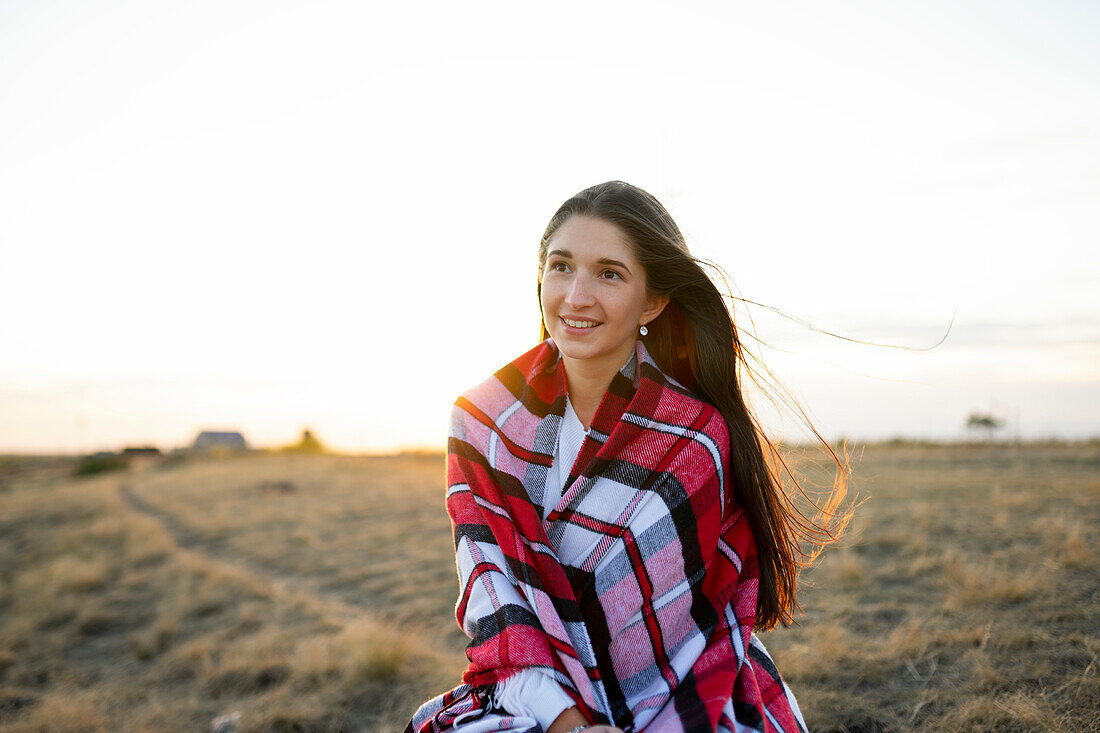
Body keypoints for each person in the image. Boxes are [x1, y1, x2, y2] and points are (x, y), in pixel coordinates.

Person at [407, 181, 847, 733]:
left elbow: (685, 637)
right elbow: (496, 604)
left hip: (686, 691)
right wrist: (569, 725)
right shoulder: (481, 422)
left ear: (654, 301)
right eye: (561, 266)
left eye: (609, 274)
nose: (576, 296)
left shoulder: (693, 439)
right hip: (533, 697)